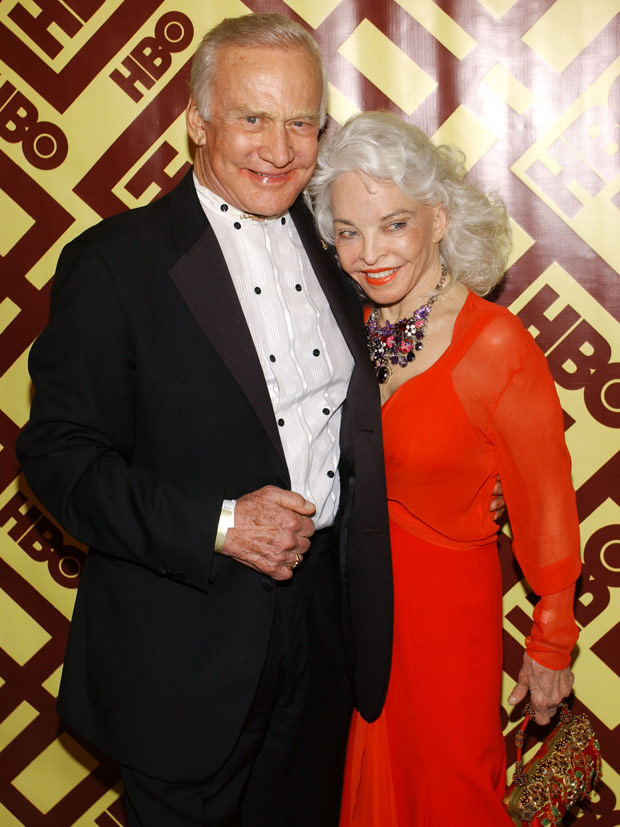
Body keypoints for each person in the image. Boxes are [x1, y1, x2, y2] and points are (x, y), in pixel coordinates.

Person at [15, 15, 396, 827]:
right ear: (196, 118)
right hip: (184, 651)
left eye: (300, 122)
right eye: (251, 117)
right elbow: (59, 457)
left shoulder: (339, 246)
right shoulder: (116, 262)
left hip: (323, 637)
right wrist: (218, 523)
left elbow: (368, 413)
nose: (280, 148)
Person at [307, 111, 582, 827]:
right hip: (336, 613)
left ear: (439, 217)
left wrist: (551, 640)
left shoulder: (495, 344)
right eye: (348, 231)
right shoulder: (338, 327)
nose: (370, 252)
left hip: (440, 617)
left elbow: (545, 501)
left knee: (448, 791)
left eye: (394, 224)